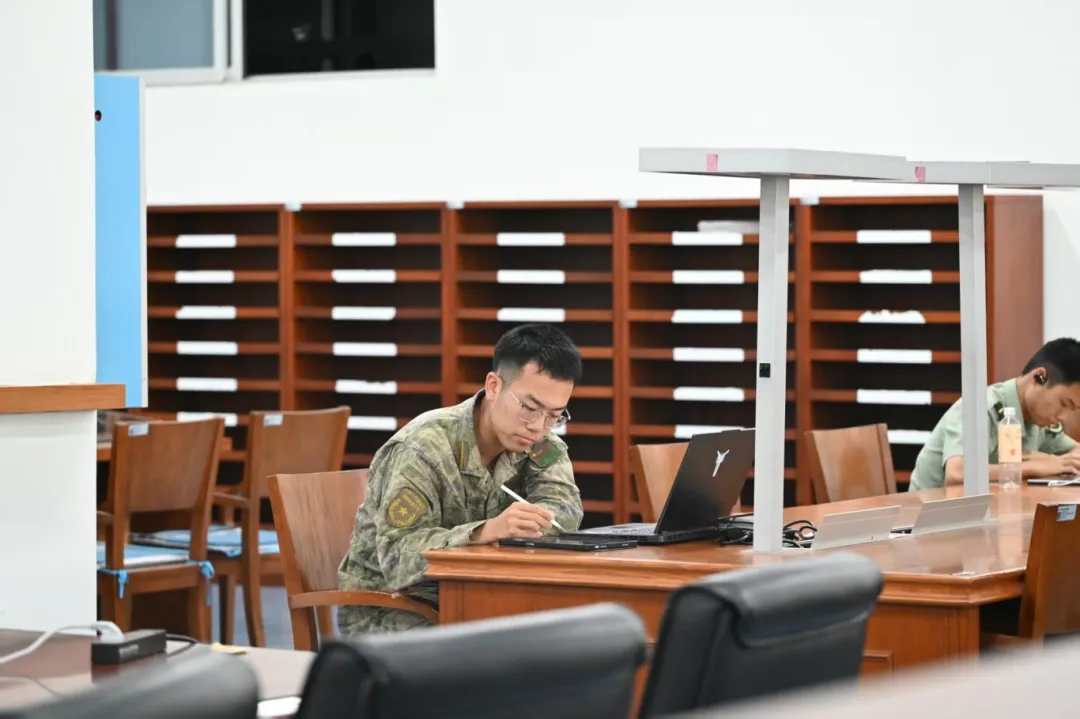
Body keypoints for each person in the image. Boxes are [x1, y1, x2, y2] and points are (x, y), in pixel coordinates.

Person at [336, 323, 585, 634]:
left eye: (555, 415)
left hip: (480, 597)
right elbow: (397, 557)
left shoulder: (540, 444)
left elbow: (565, 509)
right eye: (530, 408)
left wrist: (534, 523)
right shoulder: (424, 446)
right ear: (493, 386)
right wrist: (485, 532)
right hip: (394, 609)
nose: (538, 426)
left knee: (577, 637)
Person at [909, 338, 1080, 491]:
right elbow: (957, 474)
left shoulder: (1039, 420)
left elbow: (1075, 452)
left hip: (990, 512)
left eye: (1072, 409)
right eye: (1064, 403)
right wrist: (1032, 466)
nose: (1063, 417)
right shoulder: (981, 406)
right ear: (1039, 377)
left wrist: (1049, 460)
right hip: (930, 513)